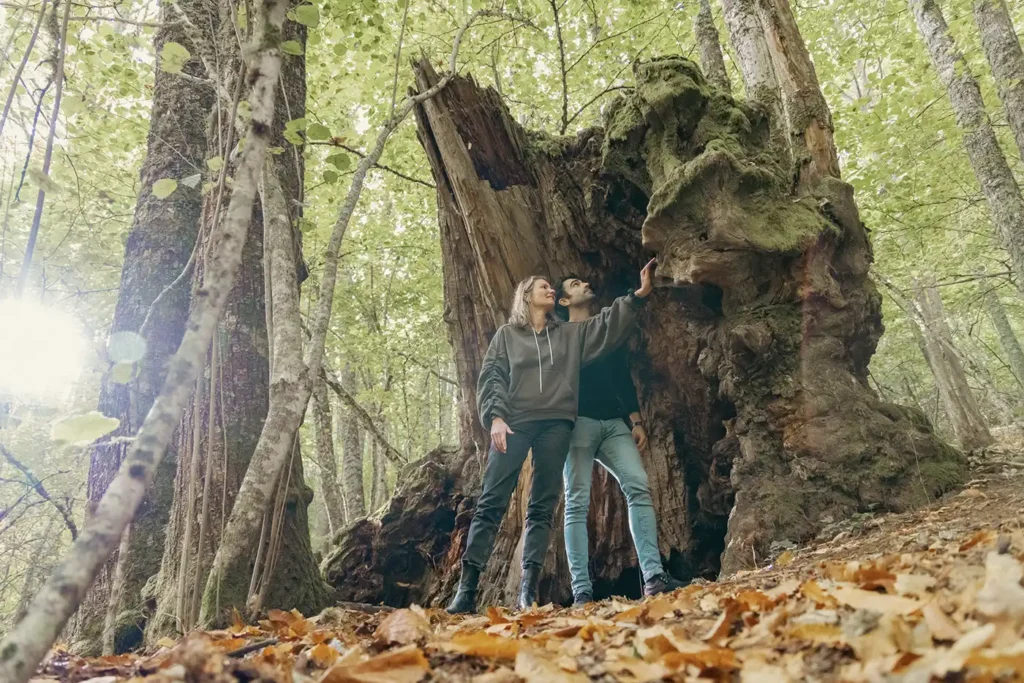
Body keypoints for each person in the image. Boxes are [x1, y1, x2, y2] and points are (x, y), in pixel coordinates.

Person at [446, 261, 656, 614]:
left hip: (557, 426)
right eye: (543, 286)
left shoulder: (569, 336)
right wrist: (495, 417)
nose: (550, 290)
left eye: (551, 287)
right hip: (515, 423)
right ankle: (466, 590)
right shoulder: (507, 336)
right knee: (491, 503)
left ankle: (527, 591)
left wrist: (638, 296)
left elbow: (605, 325)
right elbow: (492, 376)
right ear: (526, 296)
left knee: (541, 508)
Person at [555, 274, 685, 606]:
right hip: (578, 425)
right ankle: (582, 590)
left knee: (638, 486)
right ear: (563, 302)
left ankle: (653, 578)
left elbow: (620, 376)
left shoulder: (606, 332)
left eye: (583, 281)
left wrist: (635, 419)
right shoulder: (558, 337)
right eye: (574, 284)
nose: (584, 283)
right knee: (576, 502)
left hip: (613, 424)